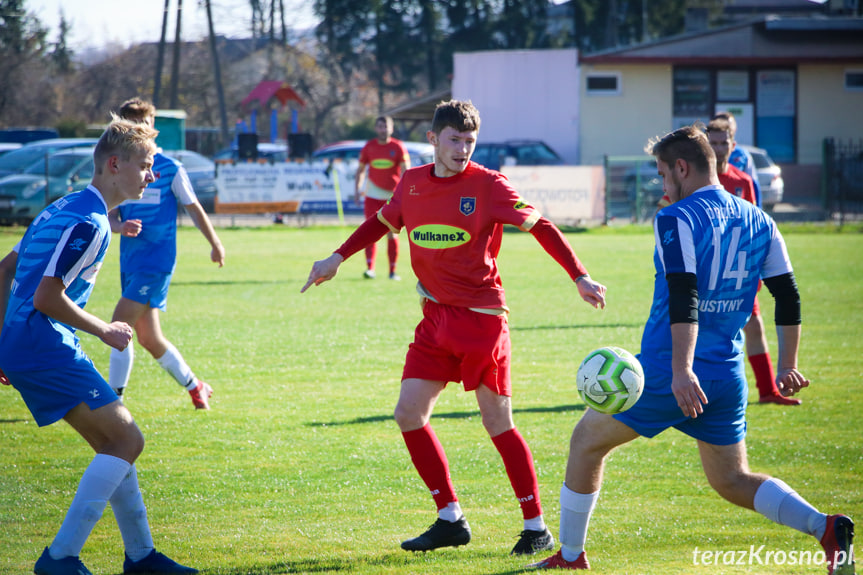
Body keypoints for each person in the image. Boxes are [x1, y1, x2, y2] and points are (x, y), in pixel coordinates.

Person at [530, 125, 854, 573]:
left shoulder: (676, 217)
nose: (663, 187)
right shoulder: (761, 219)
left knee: (586, 442)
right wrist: (788, 364)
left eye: (664, 174)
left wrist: (681, 370)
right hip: (727, 373)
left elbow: (684, 293)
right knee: (732, 480)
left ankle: (569, 557)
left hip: (671, 371)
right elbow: (789, 295)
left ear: (682, 167)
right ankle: (825, 527)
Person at [302, 99, 607, 556]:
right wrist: (336, 258)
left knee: (496, 421)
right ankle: (450, 518)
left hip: (481, 320)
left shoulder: (488, 186)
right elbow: (381, 222)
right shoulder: (412, 183)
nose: (463, 149)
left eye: (470, 141)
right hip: (435, 318)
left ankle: (535, 526)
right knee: (408, 413)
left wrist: (579, 275)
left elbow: (541, 226)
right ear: (433, 140)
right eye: (455, 140)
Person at [0, 118, 198, 575]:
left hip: (25, 344)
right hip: (43, 344)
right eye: (147, 165)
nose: (152, 175)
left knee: (114, 443)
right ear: (115, 164)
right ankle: (60, 558)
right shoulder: (90, 223)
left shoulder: (61, 207)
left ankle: (142, 557)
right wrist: (105, 330)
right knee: (127, 437)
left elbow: (4, 272)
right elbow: (47, 297)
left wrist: (2, 344)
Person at [108, 97, 225, 409]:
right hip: (130, 261)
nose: (138, 131)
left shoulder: (170, 168)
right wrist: (119, 227)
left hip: (156, 262)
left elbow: (195, 208)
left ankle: (112, 400)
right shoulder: (122, 168)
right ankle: (195, 385)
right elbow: (110, 213)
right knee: (148, 337)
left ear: (152, 126)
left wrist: (214, 243)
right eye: (130, 126)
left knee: (119, 325)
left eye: (142, 125)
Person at [706, 117, 800, 406]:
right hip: (705, 273)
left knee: (755, 326)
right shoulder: (696, 181)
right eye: (714, 143)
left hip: (739, 272)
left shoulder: (742, 181)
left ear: (733, 145)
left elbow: (755, 227)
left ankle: (768, 391)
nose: (719, 148)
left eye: (724, 142)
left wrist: (755, 269)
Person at [354, 115, 410, 280]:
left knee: (392, 234)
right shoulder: (369, 147)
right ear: (375, 128)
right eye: (379, 126)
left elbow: (406, 170)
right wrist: (358, 189)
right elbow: (361, 170)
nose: (382, 129)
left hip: (392, 198)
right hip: (372, 196)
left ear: (391, 129)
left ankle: (392, 272)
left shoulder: (398, 147)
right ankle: (369, 268)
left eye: (385, 126)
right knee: (369, 232)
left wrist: (406, 192)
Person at [712, 110, 763, 208]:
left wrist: (759, 210)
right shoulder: (701, 158)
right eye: (714, 143)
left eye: (729, 125)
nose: (719, 149)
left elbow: (753, 184)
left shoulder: (743, 155)